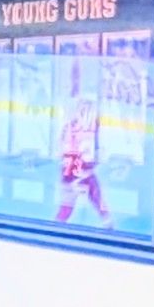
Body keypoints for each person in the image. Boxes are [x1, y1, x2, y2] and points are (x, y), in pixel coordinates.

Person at [54, 96, 107, 224]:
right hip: (73, 171)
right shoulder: (71, 128)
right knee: (66, 209)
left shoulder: (92, 127)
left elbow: (96, 151)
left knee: (98, 204)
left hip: (82, 170)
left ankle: (109, 225)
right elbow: (65, 150)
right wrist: (75, 178)